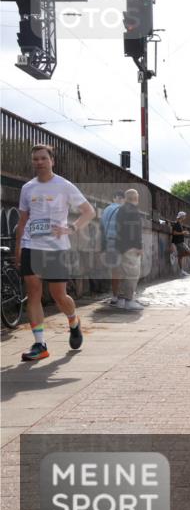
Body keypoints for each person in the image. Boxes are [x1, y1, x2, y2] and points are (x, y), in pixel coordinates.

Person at [14, 144, 96, 361]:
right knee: (33, 293)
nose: (39, 162)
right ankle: (40, 344)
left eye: (43, 158)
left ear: (52, 161)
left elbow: (89, 212)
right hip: (32, 245)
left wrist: (71, 228)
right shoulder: (27, 188)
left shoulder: (64, 186)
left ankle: (73, 321)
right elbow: (22, 221)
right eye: (35, 159)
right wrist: (18, 248)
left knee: (59, 295)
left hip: (57, 248)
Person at [114, 189, 144, 310]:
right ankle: (129, 300)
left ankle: (121, 300)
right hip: (131, 247)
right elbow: (135, 231)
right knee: (132, 274)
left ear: (126, 198)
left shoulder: (120, 210)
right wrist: (139, 247)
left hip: (120, 246)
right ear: (136, 198)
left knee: (122, 273)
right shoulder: (134, 211)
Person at [100, 189, 125, 305]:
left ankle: (115, 296)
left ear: (113, 198)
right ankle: (124, 295)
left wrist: (102, 247)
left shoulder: (106, 210)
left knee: (115, 270)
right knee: (126, 269)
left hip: (109, 243)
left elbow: (102, 230)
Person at [171, 211, 190, 276]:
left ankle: (181, 271)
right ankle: (175, 255)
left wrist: (184, 232)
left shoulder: (180, 224)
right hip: (178, 242)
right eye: (184, 216)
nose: (185, 217)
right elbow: (174, 233)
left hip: (181, 242)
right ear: (181, 217)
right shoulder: (176, 224)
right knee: (189, 252)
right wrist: (183, 233)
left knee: (181, 256)